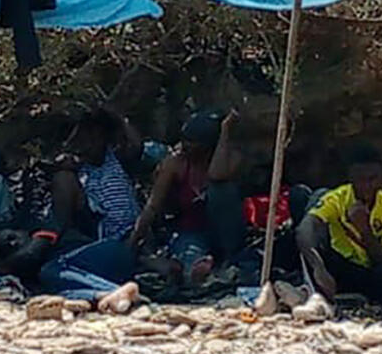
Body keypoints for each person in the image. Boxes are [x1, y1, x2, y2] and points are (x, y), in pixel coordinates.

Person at [290, 144, 382, 317]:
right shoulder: (338, 198)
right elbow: (305, 229)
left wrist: (365, 231)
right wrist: (318, 268)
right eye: (361, 179)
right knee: (313, 210)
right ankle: (311, 294)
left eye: (373, 179)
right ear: (351, 178)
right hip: (340, 265)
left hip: (368, 270)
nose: (367, 186)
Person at [31, 109, 143, 314]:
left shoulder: (117, 161)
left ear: (104, 137)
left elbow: (136, 146)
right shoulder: (81, 172)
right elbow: (60, 163)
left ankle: (106, 291)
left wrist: (116, 114)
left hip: (124, 242)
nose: (86, 144)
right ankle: (109, 294)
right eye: (83, 139)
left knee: (52, 271)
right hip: (103, 246)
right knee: (52, 274)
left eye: (93, 137)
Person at [133, 109, 244, 283]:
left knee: (222, 191)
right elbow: (153, 206)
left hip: (224, 234)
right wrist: (134, 240)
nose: (186, 145)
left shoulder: (232, 158)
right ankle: (193, 269)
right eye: (185, 140)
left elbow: (216, 175)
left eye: (193, 142)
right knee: (190, 252)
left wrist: (225, 132)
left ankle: (228, 261)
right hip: (191, 231)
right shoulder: (175, 163)